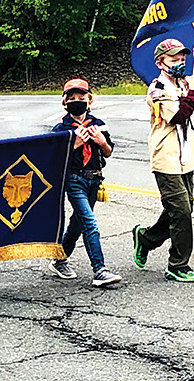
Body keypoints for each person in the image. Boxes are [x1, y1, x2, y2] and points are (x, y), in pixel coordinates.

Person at [132, 39, 194, 283]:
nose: (179, 63)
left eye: (182, 59)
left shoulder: (185, 82)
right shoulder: (157, 89)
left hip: (186, 155)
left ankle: (146, 238)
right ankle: (178, 264)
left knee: (183, 208)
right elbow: (179, 116)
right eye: (173, 60)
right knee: (181, 211)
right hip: (166, 157)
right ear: (160, 63)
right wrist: (192, 91)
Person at [47, 79, 122, 287]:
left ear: (90, 100)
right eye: (72, 99)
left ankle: (59, 259)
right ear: (65, 103)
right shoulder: (61, 129)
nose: (77, 102)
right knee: (89, 222)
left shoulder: (98, 125)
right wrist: (74, 144)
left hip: (94, 179)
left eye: (81, 98)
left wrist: (101, 142)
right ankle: (100, 270)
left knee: (78, 224)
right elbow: (52, 158)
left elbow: (108, 152)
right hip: (74, 179)